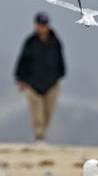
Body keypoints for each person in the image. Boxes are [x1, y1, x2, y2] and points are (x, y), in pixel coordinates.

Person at [14, 12, 66, 144]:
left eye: (45, 25)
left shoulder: (55, 42)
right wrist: (20, 79)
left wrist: (59, 76)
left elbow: (61, 62)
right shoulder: (30, 42)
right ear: (35, 25)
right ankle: (39, 135)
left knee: (48, 112)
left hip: (51, 83)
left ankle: (43, 133)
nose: (42, 27)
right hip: (32, 83)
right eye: (40, 25)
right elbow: (22, 61)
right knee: (36, 113)